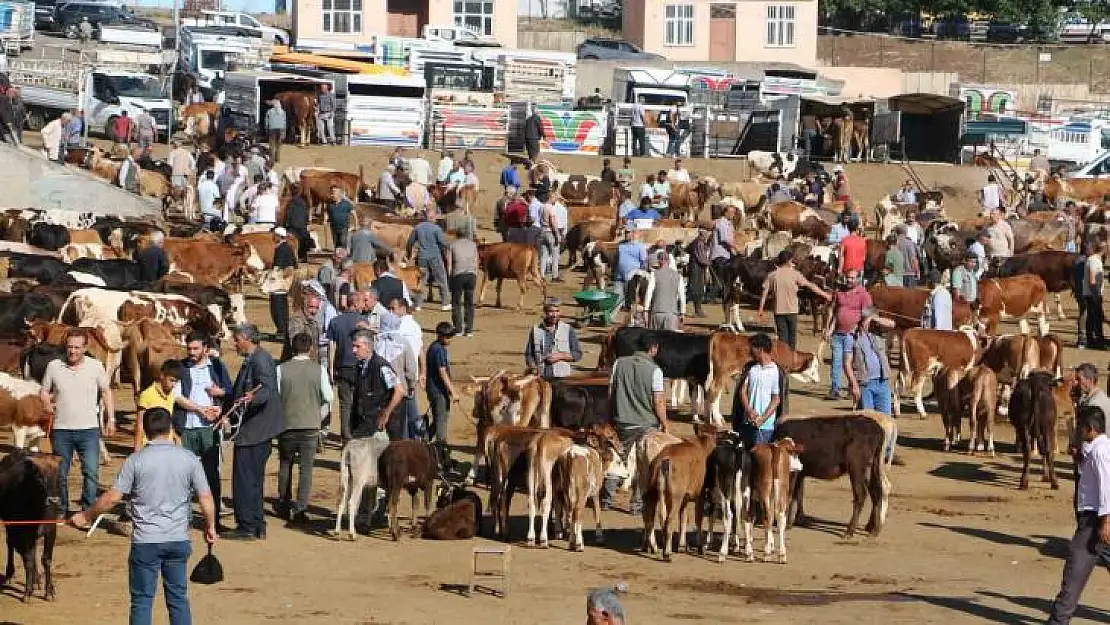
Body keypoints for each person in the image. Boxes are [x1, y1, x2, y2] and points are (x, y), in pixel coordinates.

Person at [70, 408, 217, 625]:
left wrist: (86, 515)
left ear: (145, 432)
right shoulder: (188, 459)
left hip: (146, 541)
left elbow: (111, 498)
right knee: (178, 599)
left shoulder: (135, 461)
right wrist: (210, 527)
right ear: (170, 430)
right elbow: (205, 497)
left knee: (141, 602)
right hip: (177, 539)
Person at [1045, 404, 1110, 625]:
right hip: (1096, 519)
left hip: (1094, 522)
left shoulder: (1101, 452)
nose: (1078, 431)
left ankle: (1058, 621)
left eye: (1081, 427)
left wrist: (1106, 520)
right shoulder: (1098, 449)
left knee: (1074, 572)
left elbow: (1107, 487)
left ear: (1090, 428)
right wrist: (1080, 458)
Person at [40, 328, 113, 518]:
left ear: (85, 347)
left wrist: (110, 418)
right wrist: (47, 402)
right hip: (61, 429)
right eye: (69, 347)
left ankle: (87, 511)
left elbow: (106, 392)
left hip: (88, 429)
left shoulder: (96, 366)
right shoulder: (54, 366)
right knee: (61, 475)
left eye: (77, 347)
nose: (72, 351)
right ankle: (62, 510)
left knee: (90, 472)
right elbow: (44, 390)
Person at [224, 324, 285, 541]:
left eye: (236, 339)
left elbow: (266, 390)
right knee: (253, 480)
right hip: (257, 430)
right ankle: (256, 524)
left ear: (245, 338)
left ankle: (247, 525)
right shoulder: (257, 358)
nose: (234, 344)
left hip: (255, 431)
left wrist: (252, 399)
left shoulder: (260, 359)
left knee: (245, 480)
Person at [601, 333, 667, 513]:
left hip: (622, 422)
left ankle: (606, 499)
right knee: (643, 466)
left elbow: (610, 394)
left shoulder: (619, 364)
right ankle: (636, 504)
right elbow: (658, 401)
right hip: (647, 425)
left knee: (617, 459)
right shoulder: (655, 371)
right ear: (653, 348)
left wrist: (609, 417)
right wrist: (665, 423)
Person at [172, 331, 231, 525]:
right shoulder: (180, 368)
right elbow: (177, 397)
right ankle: (184, 519)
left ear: (205, 349)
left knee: (211, 474)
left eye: (195, 348)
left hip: (209, 429)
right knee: (184, 476)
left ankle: (213, 520)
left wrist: (218, 405)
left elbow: (229, 392)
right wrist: (200, 410)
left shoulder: (216, 366)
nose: (191, 352)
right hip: (187, 427)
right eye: (189, 348)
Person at [275, 332, 331, 524]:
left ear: (293, 347)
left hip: (286, 425)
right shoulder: (319, 370)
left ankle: (283, 503)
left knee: (285, 464)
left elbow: (276, 397)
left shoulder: (281, 369)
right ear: (311, 348)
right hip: (310, 426)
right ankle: (300, 509)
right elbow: (328, 398)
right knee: (306, 469)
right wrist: (318, 418)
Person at [759, 250, 831, 350]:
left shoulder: (772, 275)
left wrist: (761, 309)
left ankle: (783, 360)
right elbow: (811, 286)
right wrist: (825, 295)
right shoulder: (795, 274)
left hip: (778, 311)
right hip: (792, 311)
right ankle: (791, 358)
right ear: (789, 261)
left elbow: (764, 294)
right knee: (792, 339)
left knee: (782, 338)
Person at [825, 267, 872, 400]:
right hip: (837, 333)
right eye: (848, 277)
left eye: (853, 278)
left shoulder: (863, 294)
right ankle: (834, 388)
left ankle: (853, 387)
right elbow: (834, 312)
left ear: (858, 279)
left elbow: (869, 314)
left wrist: (861, 329)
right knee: (836, 361)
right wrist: (828, 329)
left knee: (850, 363)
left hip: (852, 334)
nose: (850, 280)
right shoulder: (839, 292)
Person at [350, 330, 405, 439]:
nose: (354, 350)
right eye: (353, 346)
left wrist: (386, 413)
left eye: (357, 347)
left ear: (368, 347)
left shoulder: (381, 366)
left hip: (381, 426)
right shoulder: (360, 366)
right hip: (365, 421)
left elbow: (399, 391)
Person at [732, 333, 784, 447]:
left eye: (752, 348)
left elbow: (776, 399)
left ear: (760, 350)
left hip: (766, 427)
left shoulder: (775, 371)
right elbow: (742, 391)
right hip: (747, 423)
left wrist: (763, 418)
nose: (750, 351)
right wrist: (749, 410)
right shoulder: (750, 368)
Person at [373, 312, 418, 440]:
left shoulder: (376, 344)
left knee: (379, 427)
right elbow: (411, 370)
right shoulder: (403, 343)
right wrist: (411, 386)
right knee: (397, 429)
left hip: (380, 393)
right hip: (399, 393)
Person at [843, 306, 896, 413]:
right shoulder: (851, 337)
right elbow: (847, 364)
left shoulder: (878, 333)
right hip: (864, 384)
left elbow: (892, 324)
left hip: (882, 382)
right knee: (867, 420)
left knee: (885, 419)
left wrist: (875, 318)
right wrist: (854, 385)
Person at [524, 299, 582, 379]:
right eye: (551, 311)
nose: (554, 315)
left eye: (557, 311)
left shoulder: (568, 329)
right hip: (541, 377)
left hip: (562, 377)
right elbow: (529, 354)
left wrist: (560, 356)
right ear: (545, 312)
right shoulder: (536, 330)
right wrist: (533, 367)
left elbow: (577, 354)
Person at [407, 209, 452, 311]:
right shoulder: (436, 229)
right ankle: (445, 303)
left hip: (422, 257)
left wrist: (409, 253)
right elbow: (442, 243)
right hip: (435, 257)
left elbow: (410, 242)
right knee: (441, 279)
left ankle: (418, 304)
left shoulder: (418, 227)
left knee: (421, 281)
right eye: (435, 217)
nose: (436, 219)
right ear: (432, 218)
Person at [134, 360, 181, 452]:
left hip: (168, 445)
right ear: (162, 375)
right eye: (171, 380)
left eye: (176, 382)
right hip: (150, 446)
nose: (174, 385)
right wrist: (137, 446)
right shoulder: (147, 394)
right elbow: (140, 423)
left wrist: (176, 437)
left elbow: (168, 421)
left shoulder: (171, 395)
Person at [426, 322, 457, 449]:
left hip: (434, 389)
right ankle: (441, 448)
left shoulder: (434, 347)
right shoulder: (439, 350)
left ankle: (424, 439)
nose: (450, 340)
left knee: (439, 417)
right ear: (440, 336)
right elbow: (443, 372)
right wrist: (453, 391)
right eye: (447, 337)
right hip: (438, 391)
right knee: (441, 420)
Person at [446, 225, 478, 336]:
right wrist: (475, 275)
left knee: (456, 302)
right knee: (469, 303)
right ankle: (469, 329)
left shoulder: (452, 245)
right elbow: (476, 261)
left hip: (458, 274)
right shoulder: (473, 245)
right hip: (471, 275)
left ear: (457, 235)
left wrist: (449, 276)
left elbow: (449, 263)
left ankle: (458, 328)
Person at [268, 228, 297, 342]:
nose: (273, 237)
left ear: (279, 236)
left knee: (277, 307)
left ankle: (282, 331)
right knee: (281, 307)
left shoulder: (282, 249)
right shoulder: (286, 247)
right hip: (282, 283)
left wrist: (273, 276)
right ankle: (282, 330)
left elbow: (282, 267)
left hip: (279, 283)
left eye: (274, 235)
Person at [644, 252, 684, 331]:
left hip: (656, 312)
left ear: (658, 261)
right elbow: (682, 297)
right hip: (672, 314)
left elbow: (649, 293)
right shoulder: (678, 276)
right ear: (668, 261)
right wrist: (682, 312)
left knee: (654, 341)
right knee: (669, 342)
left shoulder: (654, 274)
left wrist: (646, 310)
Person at [1083, 240, 1106, 349]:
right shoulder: (1093, 261)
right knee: (1096, 318)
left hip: (1093, 293)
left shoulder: (1096, 260)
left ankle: (1092, 340)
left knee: (1093, 318)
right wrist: (1096, 295)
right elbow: (1092, 280)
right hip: (1093, 294)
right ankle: (1097, 341)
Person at [686, 224, 712, 318]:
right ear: (703, 232)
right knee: (696, 289)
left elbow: (688, 249)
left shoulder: (697, 242)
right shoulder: (699, 243)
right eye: (707, 232)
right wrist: (709, 263)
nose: (708, 234)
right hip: (697, 268)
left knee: (696, 289)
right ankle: (697, 310)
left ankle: (698, 309)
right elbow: (701, 258)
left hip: (696, 268)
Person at [614, 229, 647, 299]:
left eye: (630, 233)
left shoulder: (640, 246)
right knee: (618, 296)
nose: (628, 234)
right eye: (627, 233)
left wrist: (639, 271)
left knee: (629, 296)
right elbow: (616, 258)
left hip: (632, 275)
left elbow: (643, 261)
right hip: (619, 275)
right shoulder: (621, 245)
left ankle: (628, 306)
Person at [283, 184, 311, 261]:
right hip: (302, 225)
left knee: (292, 241)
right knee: (304, 240)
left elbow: (288, 215)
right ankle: (303, 256)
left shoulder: (290, 203)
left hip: (293, 225)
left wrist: (286, 224)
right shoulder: (303, 203)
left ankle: (294, 257)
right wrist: (306, 223)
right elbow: (306, 214)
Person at [326, 185, 354, 249]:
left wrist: (356, 225)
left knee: (343, 242)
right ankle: (337, 257)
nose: (332, 194)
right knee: (336, 243)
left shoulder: (346, 204)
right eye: (331, 192)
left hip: (343, 227)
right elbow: (327, 212)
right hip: (333, 227)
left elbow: (354, 214)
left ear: (339, 194)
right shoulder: (330, 204)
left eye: (334, 192)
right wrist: (325, 219)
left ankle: (343, 257)